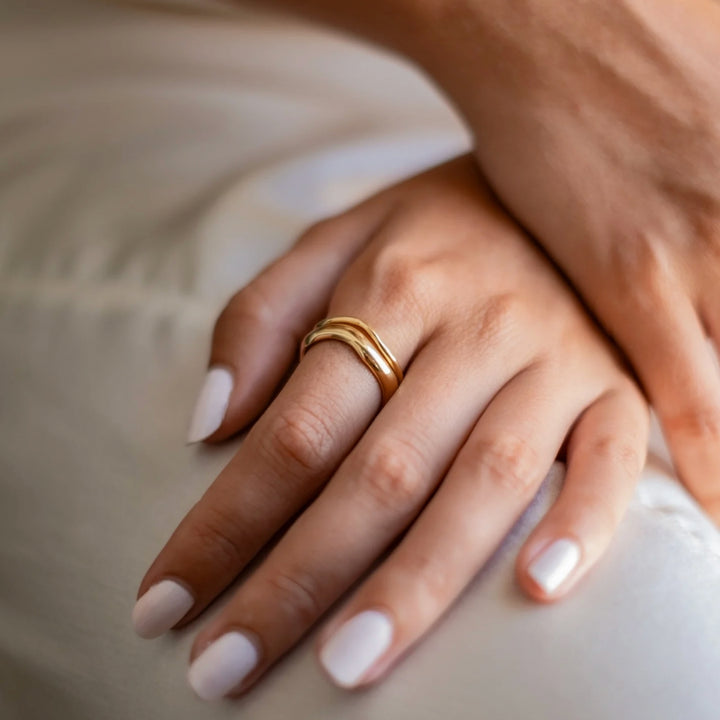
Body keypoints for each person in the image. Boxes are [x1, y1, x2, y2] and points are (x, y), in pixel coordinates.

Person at [133, 0, 720, 701]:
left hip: (644, 129)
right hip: (201, 61)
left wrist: (556, 213)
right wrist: (544, 42)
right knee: (652, 650)